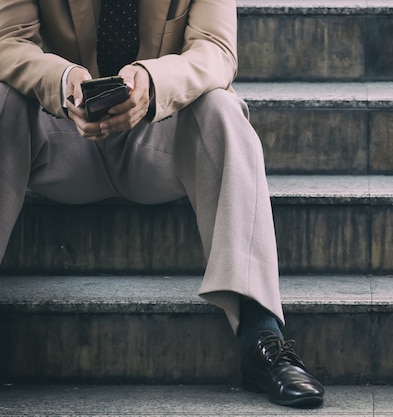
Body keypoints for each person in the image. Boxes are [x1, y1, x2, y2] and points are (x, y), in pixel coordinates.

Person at [0, 0, 324, 408]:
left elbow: (216, 51)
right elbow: (8, 41)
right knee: (1, 100)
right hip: (63, 139)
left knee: (222, 107)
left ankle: (262, 338)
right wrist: (62, 81)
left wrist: (152, 83)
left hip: (158, 140)